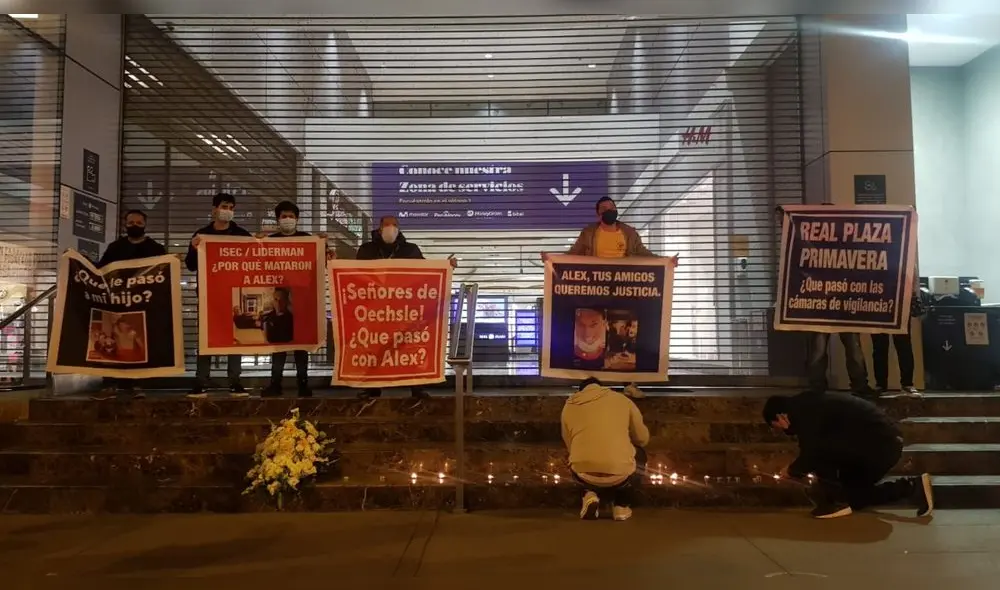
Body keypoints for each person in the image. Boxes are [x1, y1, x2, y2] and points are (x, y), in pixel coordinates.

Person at [543, 196, 678, 399]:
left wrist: (665, 262)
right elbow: (574, 253)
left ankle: (630, 384)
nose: (609, 210)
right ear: (598, 214)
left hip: (623, 288)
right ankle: (589, 386)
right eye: (605, 208)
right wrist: (552, 260)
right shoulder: (589, 232)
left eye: (612, 207)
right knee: (588, 335)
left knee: (626, 336)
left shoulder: (629, 232)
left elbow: (641, 252)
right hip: (595, 288)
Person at [762, 391, 934, 519]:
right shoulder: (809, 404)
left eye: (776, 426)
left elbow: (813, 451)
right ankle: (911, 487)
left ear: (780, 417)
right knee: (853, 495)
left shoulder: (805, 413)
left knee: (821, 455)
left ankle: (833, 503)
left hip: (878, 446)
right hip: (881, 445)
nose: (782, 431)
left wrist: (791, 470)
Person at [775, 205, 875, 398]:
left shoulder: (845, 242)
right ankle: (829, 386)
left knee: (844, 347)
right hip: (824, 303)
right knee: (825, 349)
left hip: (840, 302)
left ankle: (850, 385)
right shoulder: (814, 244)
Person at [354, 215, 457, 400]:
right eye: (386, 225)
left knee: (408, 349)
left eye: (394, 225)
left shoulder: (411, 250)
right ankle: (372, 389)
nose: (390, 228)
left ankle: (416, 387)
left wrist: (446, 267)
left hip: (403, 311)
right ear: (379, 229)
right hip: (375, 312)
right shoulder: (366, 250)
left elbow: (427, 273)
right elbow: (354, 275)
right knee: (375, 347)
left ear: (399, 229)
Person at [257, 200, 330, 398]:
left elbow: (322, 263)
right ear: (278, 219)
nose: (287, 219)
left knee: (301, 345)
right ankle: (275, 384)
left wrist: (323, 244)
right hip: (279, 290)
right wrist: (257, 244)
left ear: (297, 219)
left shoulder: (307, 240)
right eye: (283, 216)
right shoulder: (270, 241)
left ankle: (303, 384)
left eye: (291, 216)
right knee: (278, 346)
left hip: (302, 299)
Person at [92, 209, 167, 400]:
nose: (134, 225)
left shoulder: (155, 249)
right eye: (131, 222)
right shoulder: (115, 248)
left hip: (144, 304)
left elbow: (164, 273)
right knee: (112, 341)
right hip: (118, 303)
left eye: (138, 223)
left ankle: (137, 383)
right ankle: (110, 383)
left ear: (145, 225)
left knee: (138, 342)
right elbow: (101, 271)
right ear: (125, 224)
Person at [185, 192, 252, 399]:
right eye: (224, 206)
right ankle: (200, 382)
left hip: (233, 294)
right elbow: (190, 265)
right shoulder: (201, 235)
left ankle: (235, 382)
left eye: (232, 207)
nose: (228, 211)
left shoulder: (241, 234)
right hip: (208, 296)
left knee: (234, 338)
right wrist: (195, 249)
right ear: (214, 209)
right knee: (206, 339)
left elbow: (256, 258)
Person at [562, 377, 649, 521]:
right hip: (621, 476)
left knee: (575, 456)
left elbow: (569, 444)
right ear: (602, 388)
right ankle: (621, 505)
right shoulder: (623, 401)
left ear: (580, 391)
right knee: (640, 454)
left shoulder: (569, 405)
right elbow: (642, 439)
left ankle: (588, 494)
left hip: (582, 475)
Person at [871, 277, 924, 397]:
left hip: (897, 300)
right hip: (880, 300)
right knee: (881, 347)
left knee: (902, 345)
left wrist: (913, 292)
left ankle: (904, 383)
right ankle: (884, 384)